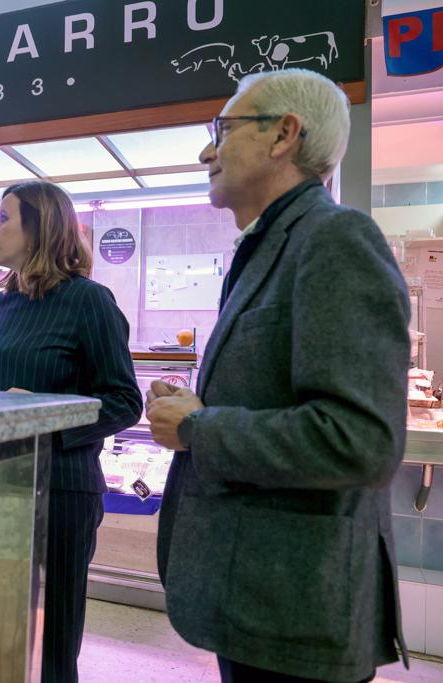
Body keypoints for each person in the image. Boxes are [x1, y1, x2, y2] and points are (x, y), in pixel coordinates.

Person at [145, 69, 409, 682]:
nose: (208, 150)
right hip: (258, 599)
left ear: (283, 134)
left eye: (224, 128)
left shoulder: (335, 238)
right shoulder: (269, 247)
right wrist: (198, 406)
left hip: (296, 608)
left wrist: (200, 428)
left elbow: (359, 441)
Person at [0, 181, 143, 682]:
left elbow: (125, 401)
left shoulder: (89, 301)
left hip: (58, 495)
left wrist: (42, 416)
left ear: (40, 228)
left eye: (3, 219)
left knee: (51, 654)